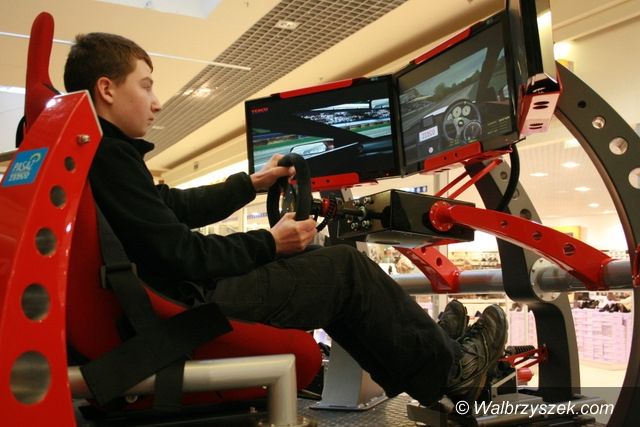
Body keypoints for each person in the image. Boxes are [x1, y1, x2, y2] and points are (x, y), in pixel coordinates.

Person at [63, 32, 508, 408]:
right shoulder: (109, 156)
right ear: (107, 89)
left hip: (162, 298)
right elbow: (181, 253)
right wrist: (270, 243)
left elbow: (171, 207)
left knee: (324, 263)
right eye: (146, 86)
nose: (156, 102)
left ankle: (433, 352)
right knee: (343, 269)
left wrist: (252, 184)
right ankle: (452, 374)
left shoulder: (93, 153)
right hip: (182, 304)